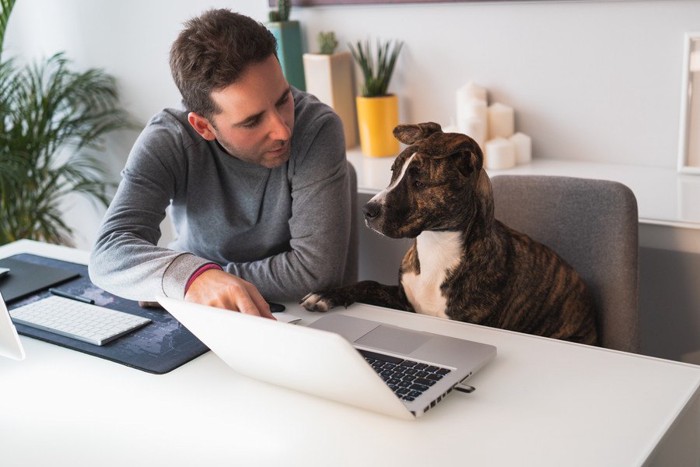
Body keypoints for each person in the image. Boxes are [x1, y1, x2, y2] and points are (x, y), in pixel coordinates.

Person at [89, 9, 352, 319]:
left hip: (299, 313)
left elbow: (315, 271)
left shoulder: (317, 128)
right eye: (252, 121)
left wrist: (194, 280)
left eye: (283, 99)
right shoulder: (169, 139)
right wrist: (195, 280)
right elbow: (108, 253)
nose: (282, 130)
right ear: (203, 127)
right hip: (197, 309)